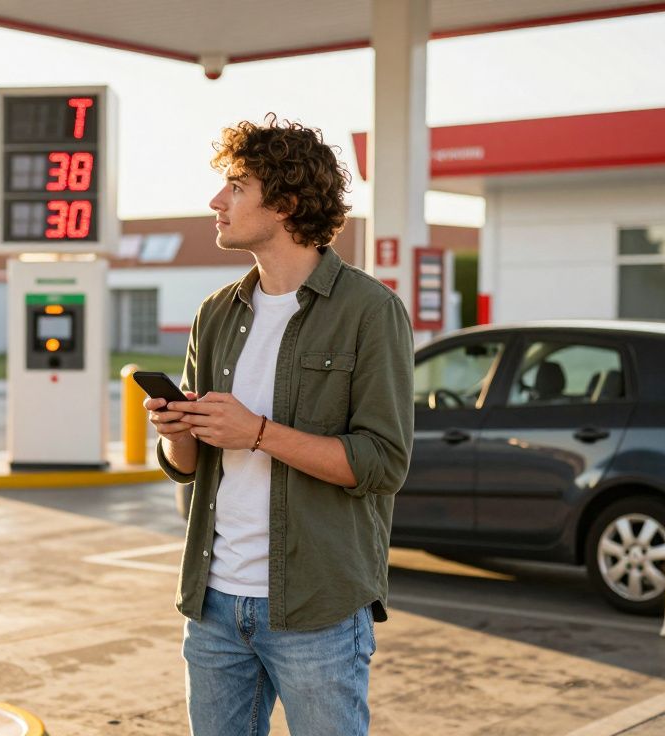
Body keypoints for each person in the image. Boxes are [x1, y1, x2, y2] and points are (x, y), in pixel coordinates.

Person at [146, 114, 414, 736]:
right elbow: (188, 469)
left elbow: (382, 464)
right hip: (213, 607)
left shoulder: (370, 311)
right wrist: (176, 430)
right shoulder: (216, 312)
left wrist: (258, 433)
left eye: (237, 186)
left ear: (287, 202)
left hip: (317, 611)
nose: (217, 201)